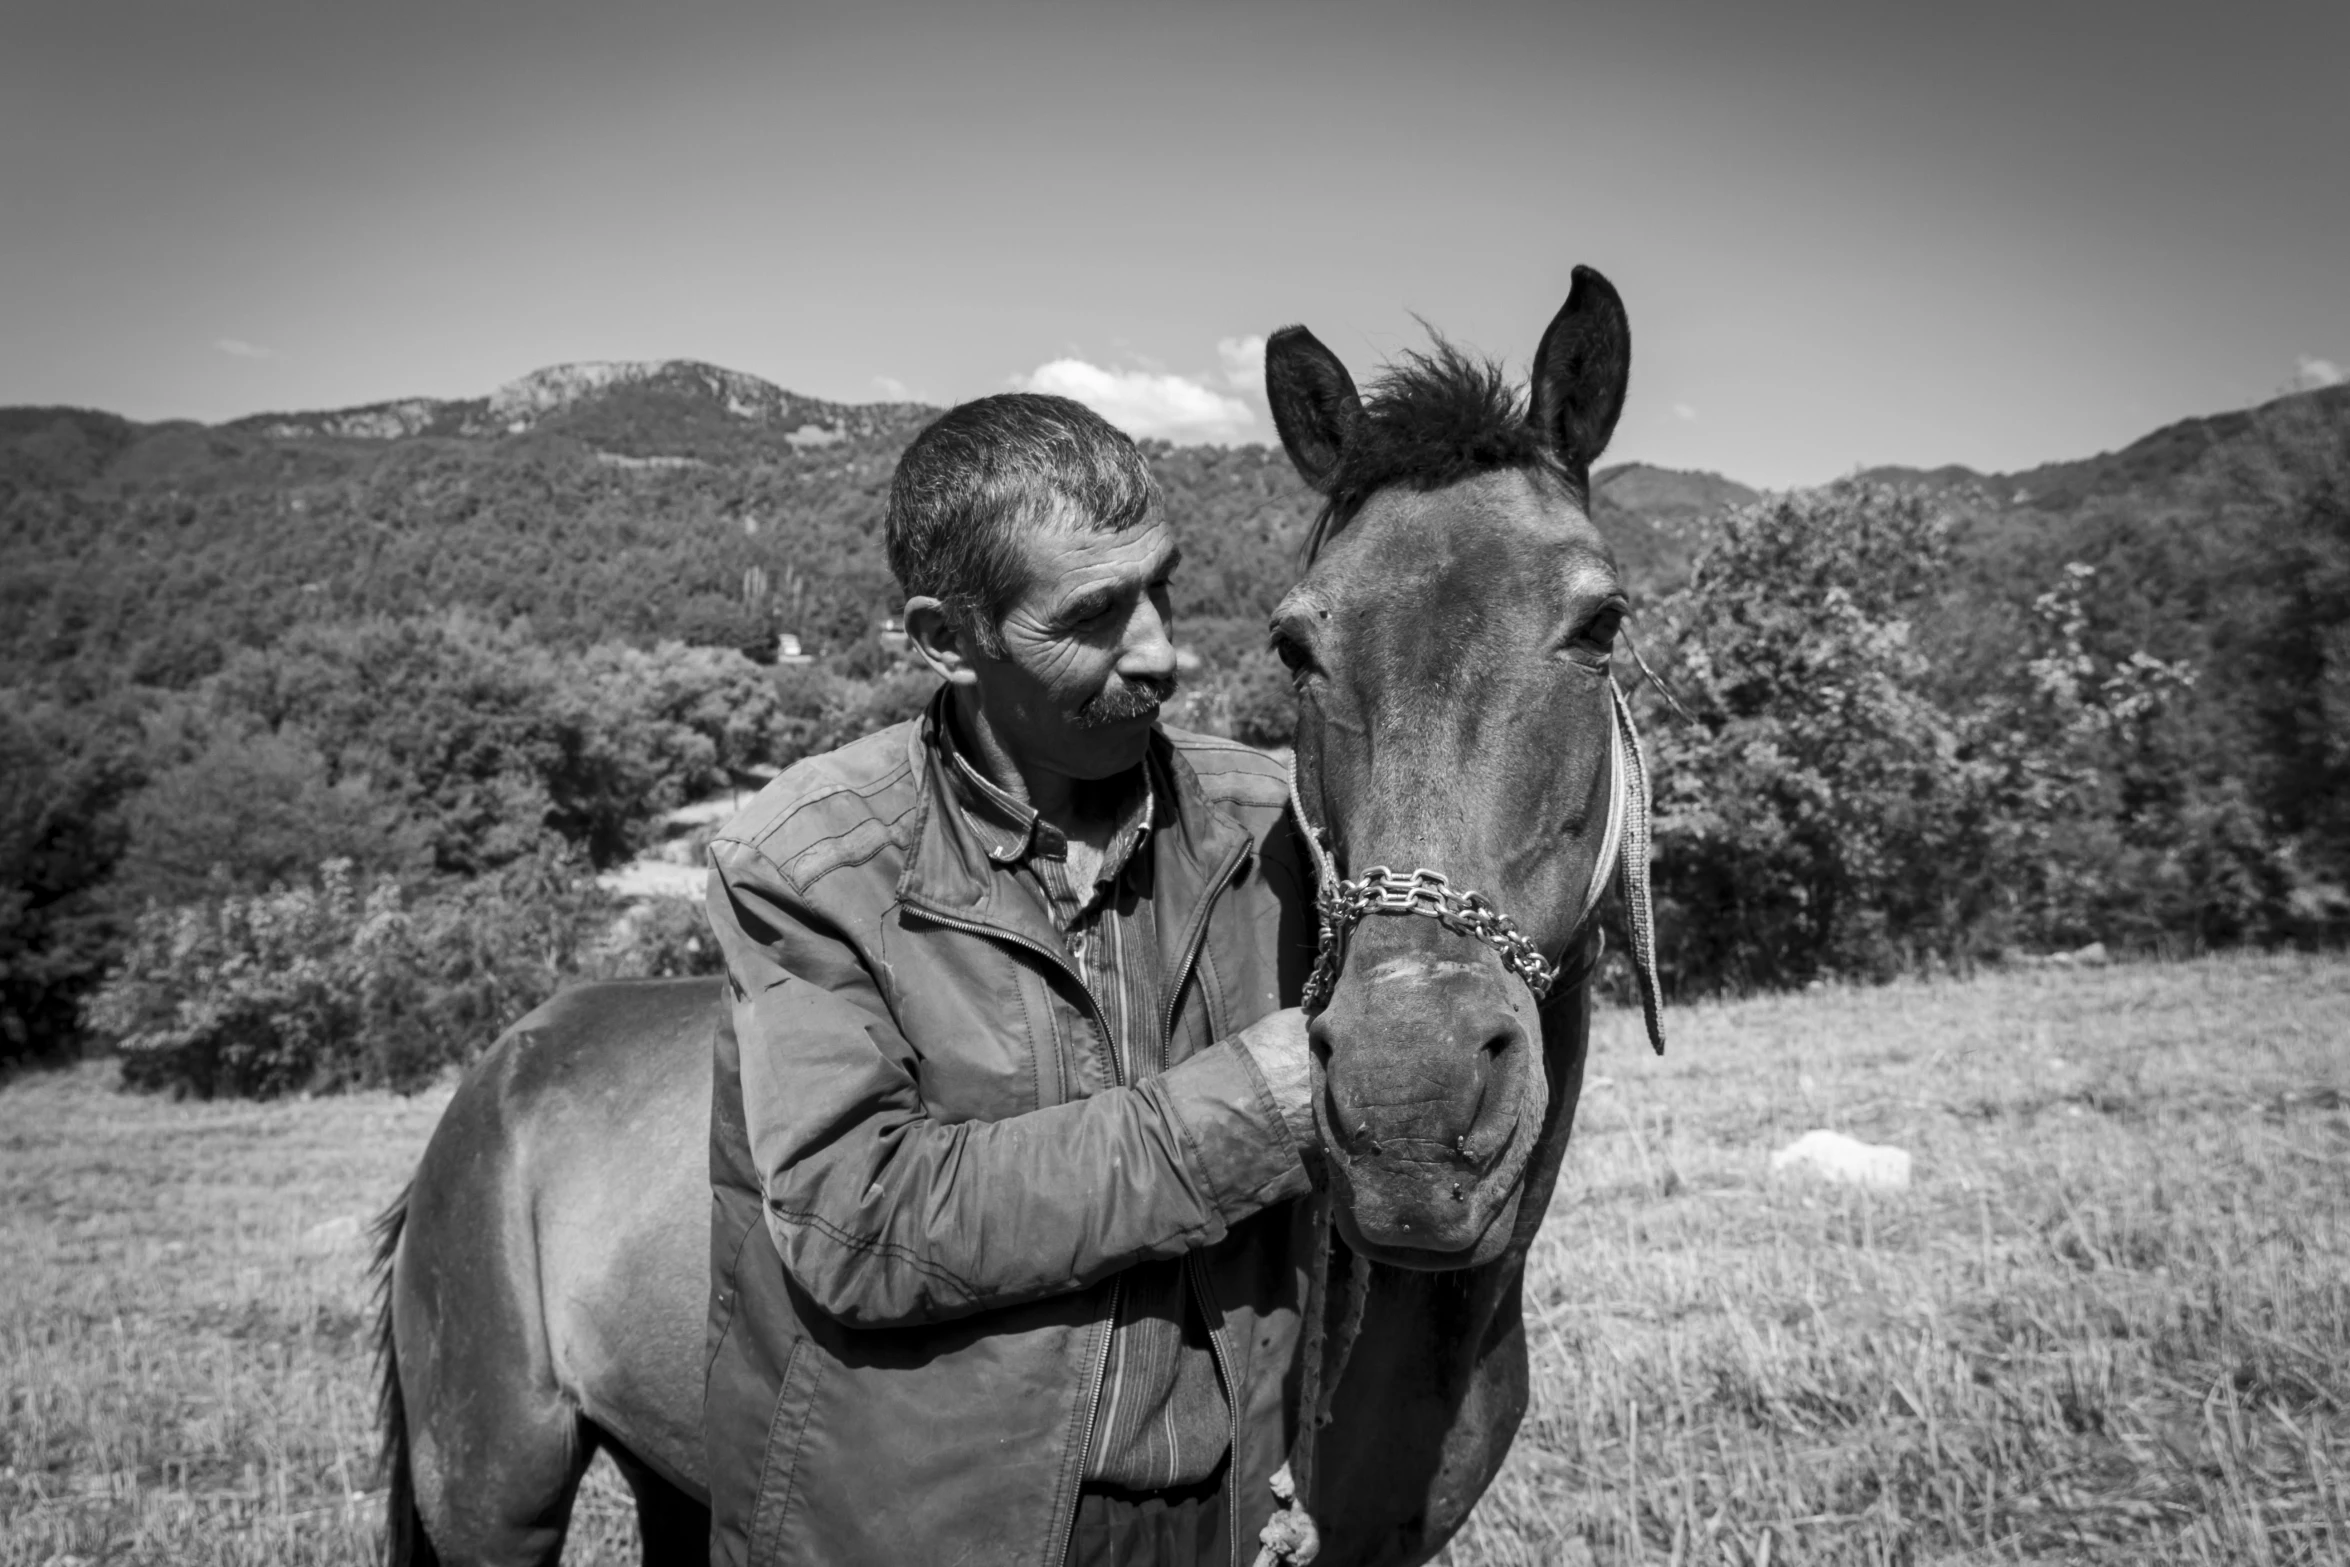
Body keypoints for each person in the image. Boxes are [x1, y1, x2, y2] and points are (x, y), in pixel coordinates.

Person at [702, 392, 1322, 1567]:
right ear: (946, 638)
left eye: (1163, 587)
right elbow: (860, 1218)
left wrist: (1307, 1443)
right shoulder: (811, 862)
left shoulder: (1266, 825)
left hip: (1224, 1520)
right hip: (929, 1529)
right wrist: (1244, 1108)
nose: (1160, 651)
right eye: (1091, 615)